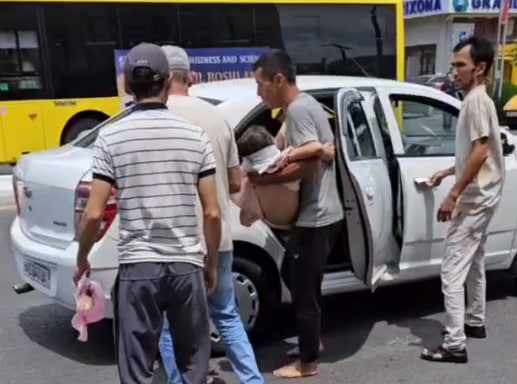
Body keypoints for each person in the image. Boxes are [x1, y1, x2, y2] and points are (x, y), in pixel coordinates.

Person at [73, 42, 221, 384]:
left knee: (136, 369)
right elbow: (212, 213)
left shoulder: (110, 137)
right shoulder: (194, 136)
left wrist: (83, 259)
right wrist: (211, 263)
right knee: (193, 366)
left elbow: (94, 214)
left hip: (138, 269)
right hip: (187, 266)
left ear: (127, 85)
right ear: (169, 82)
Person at [158, 45, 265, 384]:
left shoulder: (152, 116)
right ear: (191, 76)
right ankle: (252, 380)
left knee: (170, 325)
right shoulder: (217, 118)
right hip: (218, 238)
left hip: (175, 243)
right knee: (227, 316)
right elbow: (235, 180)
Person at [249, 49, 344, 379]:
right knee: (296, 275)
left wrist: (263, 178)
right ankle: (312, 341)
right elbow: (319, 151)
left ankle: (307, 363)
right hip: (316, 215)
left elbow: (311, 164)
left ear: (279, 79)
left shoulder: (301, 108)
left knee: (304, 291)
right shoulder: (300, 107)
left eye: (260, 84)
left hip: (315, 216)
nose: (258, 93)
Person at [420, 36, 504, 363]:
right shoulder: (476, 99)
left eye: (461, 66)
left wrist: (453, 195)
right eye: (454, 64)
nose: (455, 71)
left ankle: (455, 344)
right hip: (485, 196)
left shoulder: (476, 101)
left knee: (451, 271)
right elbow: (473, 152)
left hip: (475, 200)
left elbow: (481, 152)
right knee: (475, 261)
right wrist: (446, 173)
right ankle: (474, 322)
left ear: (480, 69)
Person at [233, 124, 335, 229]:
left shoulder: (249, 175)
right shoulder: (286, 167)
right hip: (291, 221)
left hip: (272, 222)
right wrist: (325, 150)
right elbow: (316, 151)